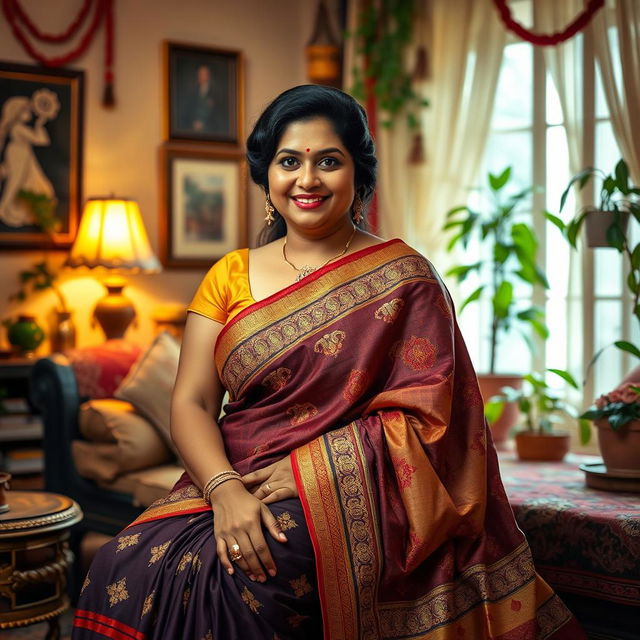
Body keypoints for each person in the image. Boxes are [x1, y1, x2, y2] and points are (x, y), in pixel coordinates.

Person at [73, 85, 586, 639]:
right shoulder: (230, 274)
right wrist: (224, 492)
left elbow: (439, 425)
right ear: (267, 176)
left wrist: (313, 470)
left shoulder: (404, 278)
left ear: (358, 175)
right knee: (116, 565)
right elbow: (193, 401)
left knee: (255, 573)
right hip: (229, 479)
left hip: (355, 492)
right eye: (289, 161)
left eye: (329, 161)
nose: (308, 179)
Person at [0, 95, 56, 227]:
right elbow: (40, 140)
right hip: (18, 154)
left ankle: (9, 208)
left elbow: (43, 140)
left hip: (23, 154)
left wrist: (39, 123)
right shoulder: (18, 128)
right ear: (17, 112)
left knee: (22, 181)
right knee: (15, 181)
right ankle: (3, 208)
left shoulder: (19, 127)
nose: (29, 113)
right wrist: (39, 124)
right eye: (25, 110)